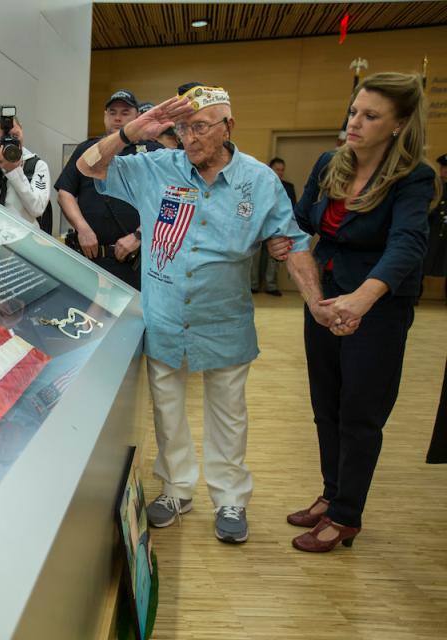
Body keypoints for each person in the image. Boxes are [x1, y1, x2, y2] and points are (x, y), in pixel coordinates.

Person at [77, 84, 327, 544]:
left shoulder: (259, 180)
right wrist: (132, 132)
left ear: (228, 126)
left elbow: (290, 241)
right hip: (165, 315)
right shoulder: (157, 168)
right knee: (168, 409)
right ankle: (176, 489)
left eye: (200, 127)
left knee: (227, 413)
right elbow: (89, 166)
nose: (190, 138)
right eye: (183, 128)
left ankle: (231, 498)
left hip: (223, 318)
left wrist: (316, 303)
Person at [286, 72, 440, 552]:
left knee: (360, 412)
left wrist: (362, 299)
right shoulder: (330, 161)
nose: (355, 122)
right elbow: (303, 218)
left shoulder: (415, 176)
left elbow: (408, 244)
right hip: (327, 296)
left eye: (370, 116)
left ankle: (347, 515)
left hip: (378, 306)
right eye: (354, 111)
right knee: (325, 406)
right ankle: (332, 494)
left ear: (398, 125)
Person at [55, 90, 162, 289]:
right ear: (105, 116)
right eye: (112, 112)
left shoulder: (152, 152)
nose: (118, 118)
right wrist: (83, 228)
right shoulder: (88, 149)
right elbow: (65, 193)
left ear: (137, 117)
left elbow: (168, 202)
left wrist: (139, 235)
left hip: (134, 262)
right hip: (90, 259)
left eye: (125, 112)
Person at [250, 157, 296, 296]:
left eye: (282, 170)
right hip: (258, 226)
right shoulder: (258, 184)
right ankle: (253, 285)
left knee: (274, 259)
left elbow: (292, 207)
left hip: (278, 228)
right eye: (277, 169)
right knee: (255, 258)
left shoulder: (288, 187)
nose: (280, 172)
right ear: (270, 169)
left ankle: (271, 286)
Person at [422, 153, 447, 300]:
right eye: (443, 167)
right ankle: (415, 296)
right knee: (421, 262)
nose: (445, 170)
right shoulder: (434, 185)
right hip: (432, 230)